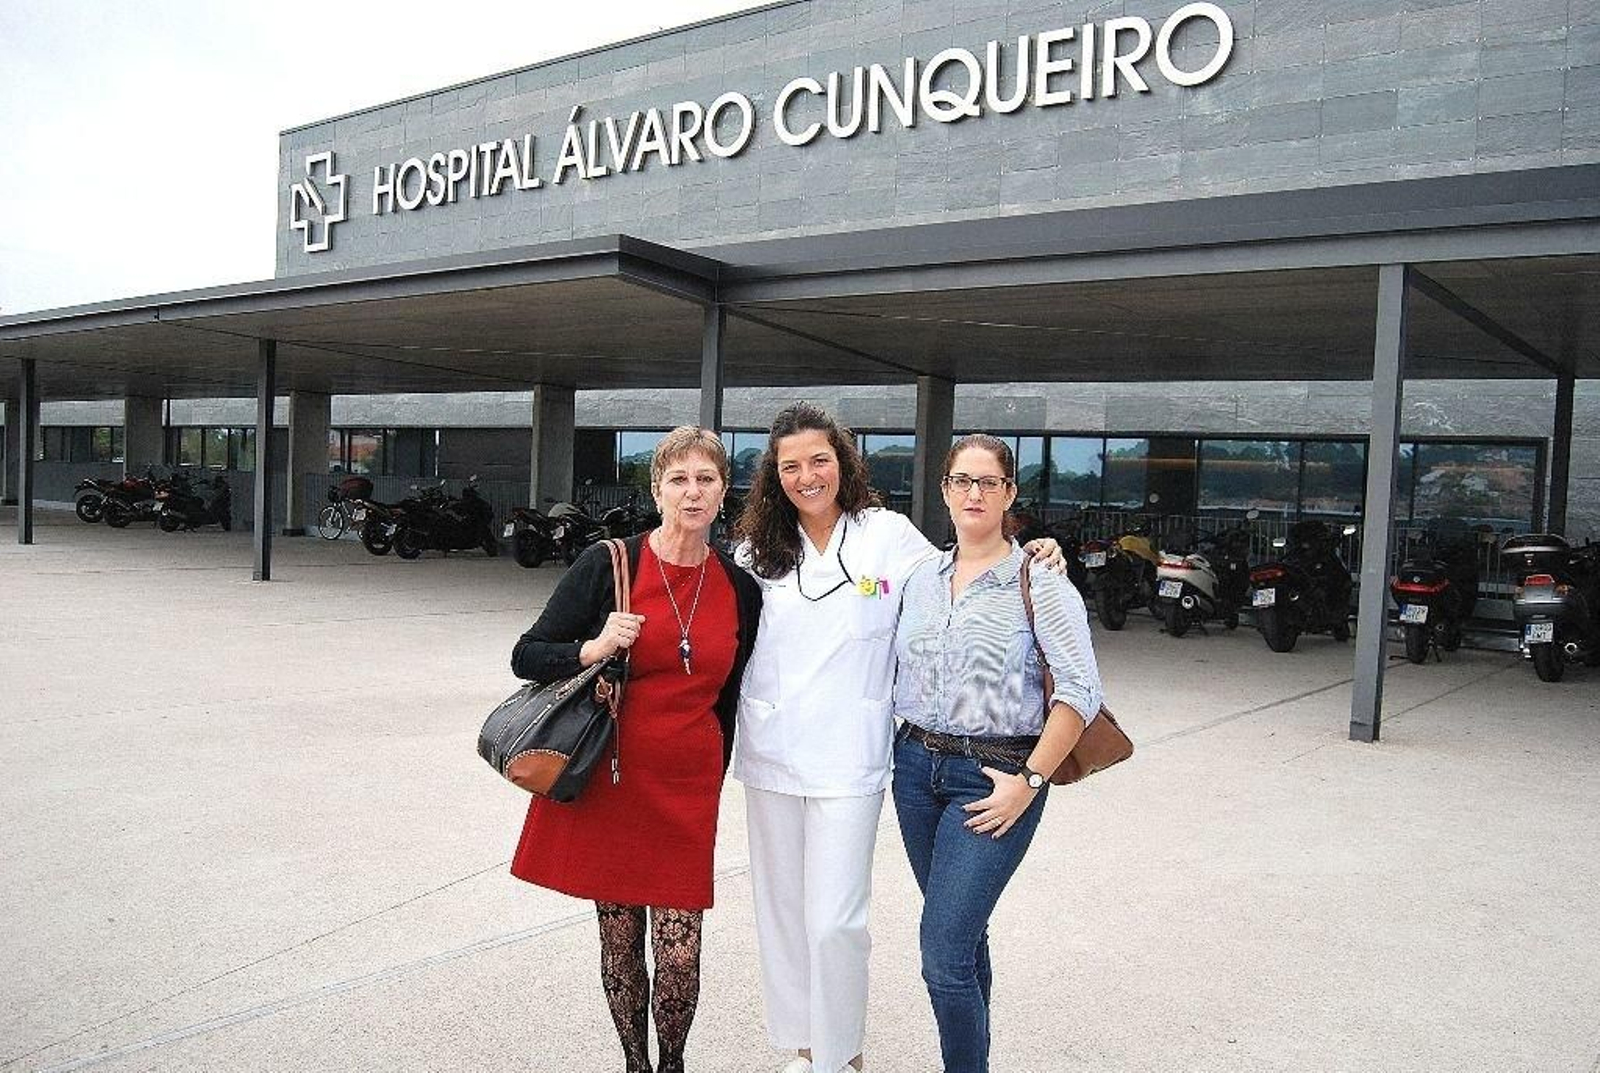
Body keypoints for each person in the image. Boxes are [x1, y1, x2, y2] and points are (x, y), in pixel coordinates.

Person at [732, 404, 1067, 1073]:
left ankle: (842, 1054)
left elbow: (965, 568)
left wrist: (1037, 551)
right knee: (783, 913)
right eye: (791, 465)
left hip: (852, 755)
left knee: (837, 920)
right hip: (771, 749)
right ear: (774, 474)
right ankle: (805, 1048)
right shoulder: (754, 550)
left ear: (843, 462)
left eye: (820, 460)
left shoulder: (885, 536)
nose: (807, 476)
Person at [508, 427, 763, 1073]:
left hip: (687, 785)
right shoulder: (611, 563)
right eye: (679, 479)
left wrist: (716, 772)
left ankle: (671, 1063)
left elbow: (730, 695)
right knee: (620, 939)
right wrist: (592, 648)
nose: (692, 492)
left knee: (680, 949)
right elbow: (527, 655)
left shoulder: (740, 587)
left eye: (706, 479)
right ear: (657, 491)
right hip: (613, 777)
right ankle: (635, 1063)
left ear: (722, 491)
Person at [890, 434, 1104, 1073]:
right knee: (963, 935)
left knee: (942, 953)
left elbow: (1079, 692)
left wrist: (1029, 781)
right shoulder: (920, 579)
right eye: (962, 480)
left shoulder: (1041, 581)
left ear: (1010, 493)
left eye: (989, 482)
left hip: (995, 776)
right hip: (914, 771)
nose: (974, 493)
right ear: (944, 491)